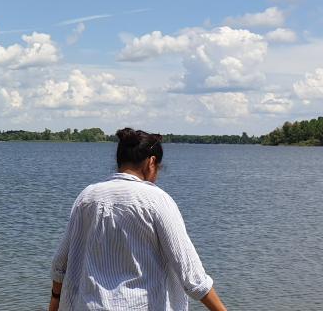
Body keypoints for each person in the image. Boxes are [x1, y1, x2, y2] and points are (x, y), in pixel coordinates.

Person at [49, 128, 227, 311]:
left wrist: (54, 302)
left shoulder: (87, 197)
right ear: (151, 163)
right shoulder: (157, 200)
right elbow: (191, 273)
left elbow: (61, 263)